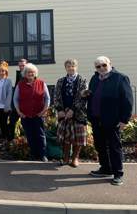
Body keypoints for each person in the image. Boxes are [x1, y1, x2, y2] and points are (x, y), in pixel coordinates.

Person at [87, 56, 133, 186]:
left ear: (110, 64)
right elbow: (93, 95)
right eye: (98, 66)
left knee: (114, 147)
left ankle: (118, 174)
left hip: (113, 120)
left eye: (103, 65)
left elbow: (128, 101)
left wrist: (124, 120)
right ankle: (106, 168)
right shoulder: (95, 78)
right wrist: (87, 95)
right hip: (96, 119)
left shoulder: (120, 78)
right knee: (100, 145)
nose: (101, 68)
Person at [54, 59, 87, 167]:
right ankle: (66, 158)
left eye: (73, 66)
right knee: (65, 137)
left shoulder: (82, 80)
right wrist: (60, 110)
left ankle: (75, 158)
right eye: (68, 66)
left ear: (76, 67)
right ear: (65, 68)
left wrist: (73, 110)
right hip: (64, 113)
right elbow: (56, 96)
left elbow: (83, 98)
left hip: (78, 113)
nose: (71, 68)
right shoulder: (60, 81)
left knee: (78, 137)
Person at [14, 63, 50, 162]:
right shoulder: (20, 84)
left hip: (39, 115)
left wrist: (44, 111)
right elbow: (15, 99)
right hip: (25, 115)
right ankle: (34, 155)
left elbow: (47, 98)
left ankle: (43, 155)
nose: (31, 74)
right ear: (25, 74)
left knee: (41, 135)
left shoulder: (41, 83)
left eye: (32, 72)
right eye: (28, 72)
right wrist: (19, 111)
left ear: (35, 73)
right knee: (30, 135)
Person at [7, 59, 27, 141]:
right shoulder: (18, 74)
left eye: (23, 65)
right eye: (20, 65)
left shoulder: (30, 75)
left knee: (25, 124)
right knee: (12, 121)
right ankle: (11, 140)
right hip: (17, 104)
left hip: (26, 104)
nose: (21, 67)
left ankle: (26, 141)